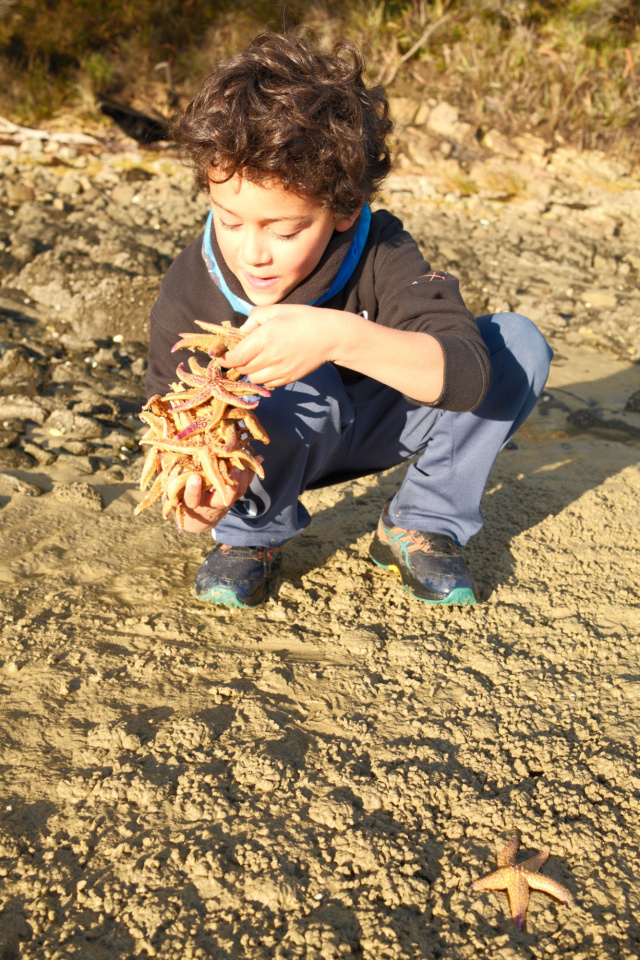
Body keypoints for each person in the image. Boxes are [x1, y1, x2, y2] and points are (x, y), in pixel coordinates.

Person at [146, 32, 552, 609]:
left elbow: (465, 375)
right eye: (229, 221)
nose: (252, 252)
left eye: (284, 231)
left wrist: (337, 336)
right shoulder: (190, 283)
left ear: (342, 210)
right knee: (270, 378)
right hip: (273, 449)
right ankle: (250, 535)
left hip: (385, 420)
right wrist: (201, 492)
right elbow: (167, 417)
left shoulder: (383, 249)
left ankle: (421, 521)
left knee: (518, 343)